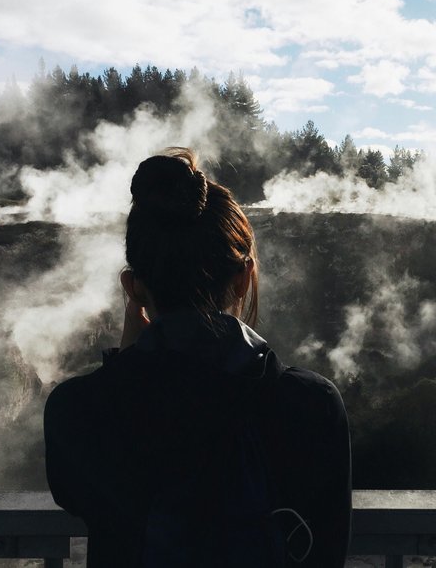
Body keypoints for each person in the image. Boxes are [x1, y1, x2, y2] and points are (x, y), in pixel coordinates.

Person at [44, 148, 351, 567]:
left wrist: (129, 355)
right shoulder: (312, 406)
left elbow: (84, 493)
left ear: (133, 288)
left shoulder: (76, 412)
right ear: (244, 278)